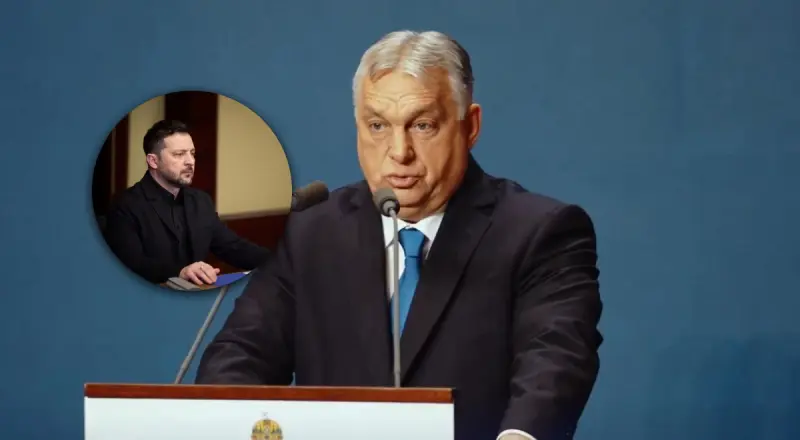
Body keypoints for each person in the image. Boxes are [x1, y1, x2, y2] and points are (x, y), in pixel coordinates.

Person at [195, 30, 603, 440]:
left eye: (422, 125)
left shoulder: (539, 232)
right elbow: (240, 357)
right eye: (377, 125)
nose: (399, 151)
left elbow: (555, 360)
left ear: (470, 126)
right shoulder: (308, 231)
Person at [103, 119, 271, 286]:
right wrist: (180, 272)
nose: (190, 161)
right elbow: (131, 263)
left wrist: (277, 261)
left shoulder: (201, 201)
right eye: (179, 154)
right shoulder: (125, 205)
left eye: (192, 153)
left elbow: (233, 246)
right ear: (153, 161)